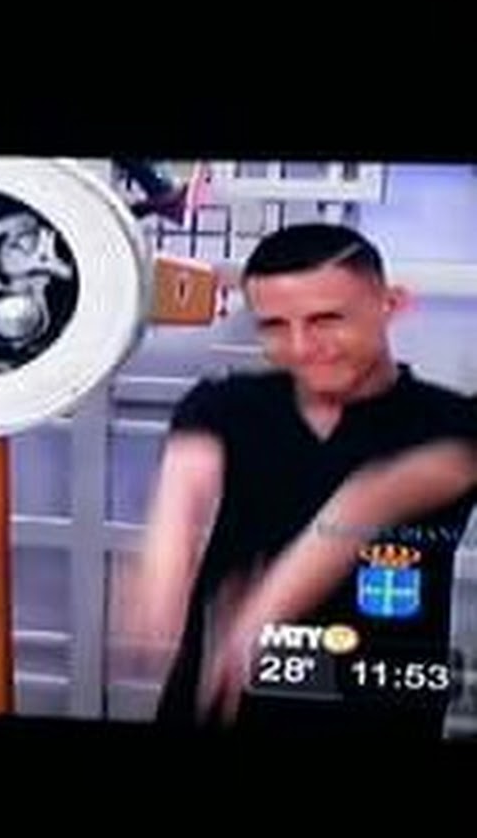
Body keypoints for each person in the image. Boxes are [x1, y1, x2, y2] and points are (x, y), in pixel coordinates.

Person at [140, 222, 477, 740]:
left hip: (376, 714)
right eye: (275, 325)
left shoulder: (453, 425)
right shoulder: (225, 406)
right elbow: (184, 491)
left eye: (326, 320)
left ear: (391, 304)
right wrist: (165, 576)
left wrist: (259, 617)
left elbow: (372, 498)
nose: (301, 347)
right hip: (221, 705)